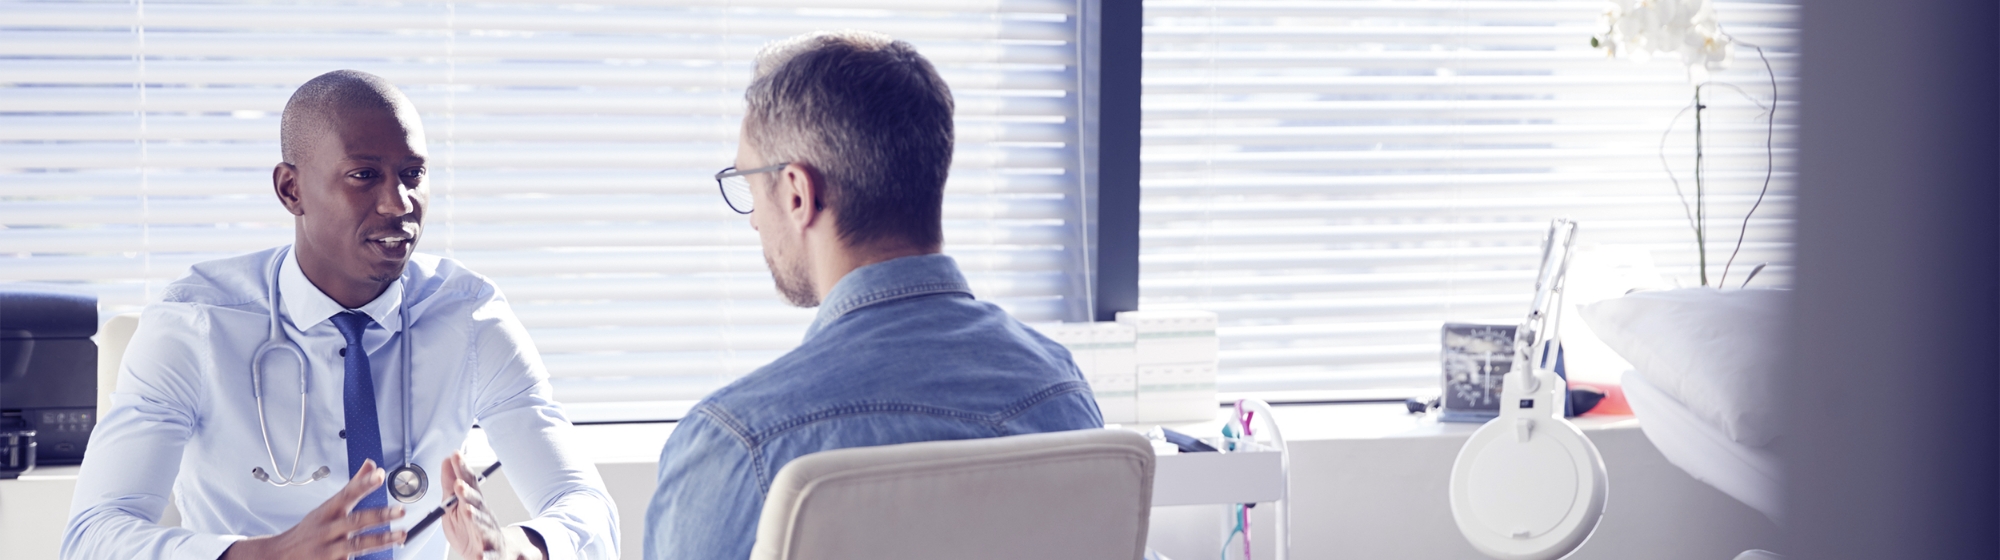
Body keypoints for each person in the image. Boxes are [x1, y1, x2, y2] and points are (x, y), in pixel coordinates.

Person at [62, 70, 618, 560]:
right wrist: (267, 557)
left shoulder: (469, 316)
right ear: (291, 189)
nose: (399, 204)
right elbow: (90, 538)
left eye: (413, 174)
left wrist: (517, 547)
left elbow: (586, 506)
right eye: (364, 175)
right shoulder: (195, 324)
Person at [641, 31, 1104, 560]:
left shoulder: (739, 443)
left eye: (749, 185)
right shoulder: (1060, 391)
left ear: (797, 193)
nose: (752, 221)